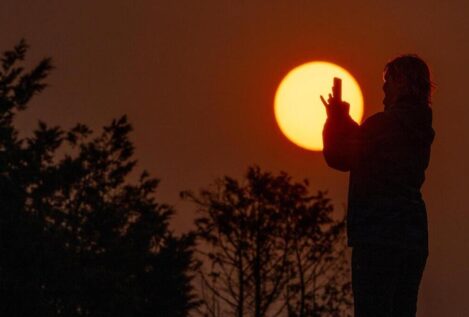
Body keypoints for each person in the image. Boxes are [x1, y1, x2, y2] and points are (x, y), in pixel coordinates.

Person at [320, 55, 435, 317]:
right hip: (412, 236)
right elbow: (366, 145)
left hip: (378, 235)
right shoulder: (418, 127)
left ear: (402, 82)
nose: (383, 90)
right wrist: (345, 121)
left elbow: (340, 155)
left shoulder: (384, 125)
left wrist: (335, 120)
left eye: (388, 82)